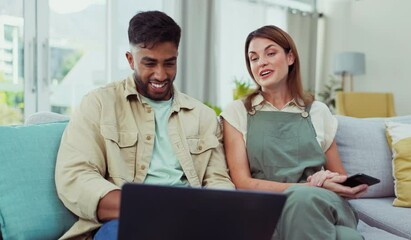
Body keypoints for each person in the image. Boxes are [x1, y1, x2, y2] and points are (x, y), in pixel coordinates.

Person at [55, 11, 234, 240]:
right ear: (130, 59)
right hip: (125, 222)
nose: (160, 75)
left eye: (169, 63)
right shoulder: (99, 104)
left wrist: (221, 211)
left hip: (192, 222)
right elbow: (75, 176)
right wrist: (151, 209)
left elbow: (218, 180)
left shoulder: (203, 116)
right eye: (149, 63)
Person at [220, 25, 368, 240]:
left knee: (303, 201)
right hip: (270, 206)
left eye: (270, 53)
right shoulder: (237, 112)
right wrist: (308, 186)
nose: (261, 62)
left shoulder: (319, 111)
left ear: (290, 57)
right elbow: (244, 183)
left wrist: (329, 179)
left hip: (322, 202)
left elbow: (339, 175)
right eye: (253, 58)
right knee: (347, 237)